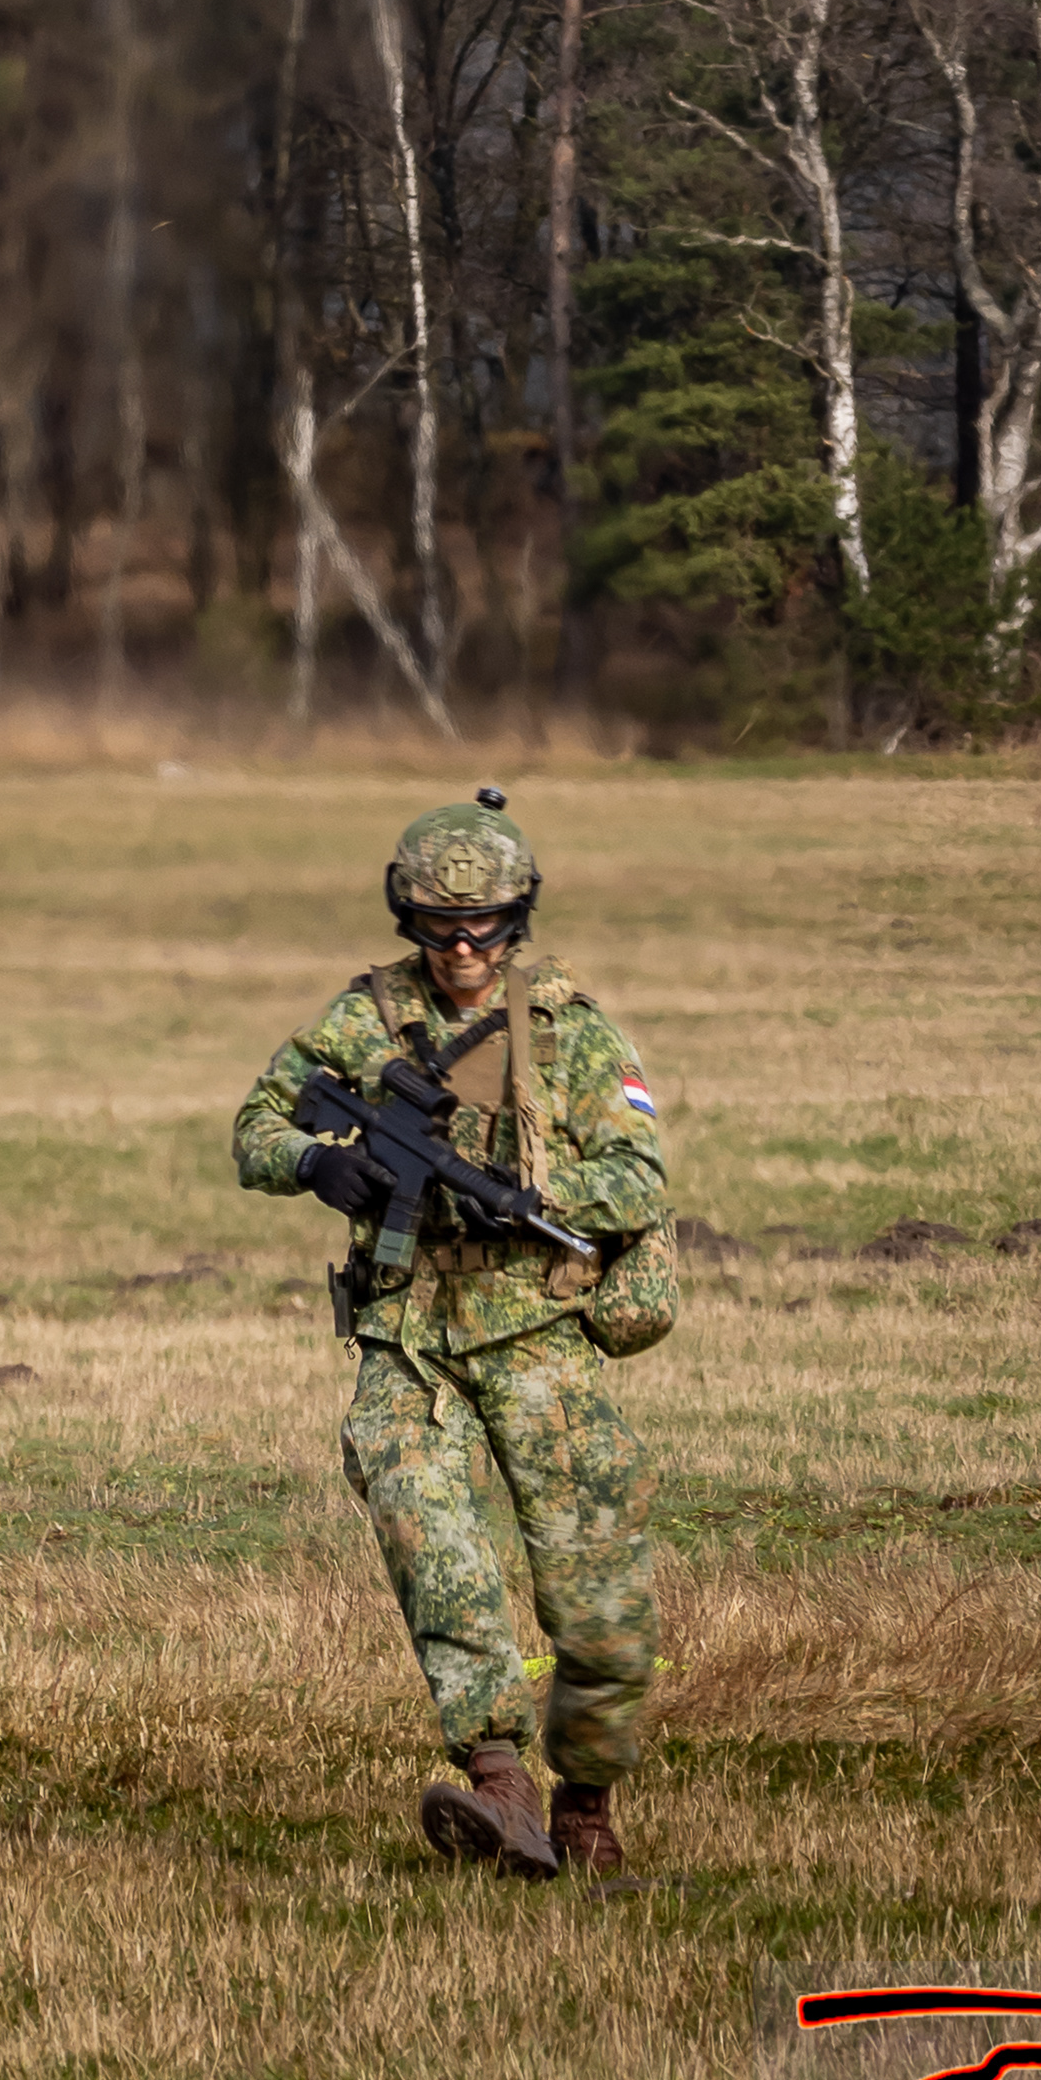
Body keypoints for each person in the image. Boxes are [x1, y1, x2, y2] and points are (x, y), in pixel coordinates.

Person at [232, 788, 674, 1878]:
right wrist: (317, 1162)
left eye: (484, 925)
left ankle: (586, 1806)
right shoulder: (364, 1022)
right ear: (408, 920)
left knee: (602, 1604)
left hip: (537, 1333)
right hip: (409, 1335)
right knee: (432, 1537)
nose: (464, 945)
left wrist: (530, 1186)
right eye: (439, 924)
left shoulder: (572, 1034)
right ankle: (499, 1781)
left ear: (519, 919)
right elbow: (254, 1125)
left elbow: (638, 1179)